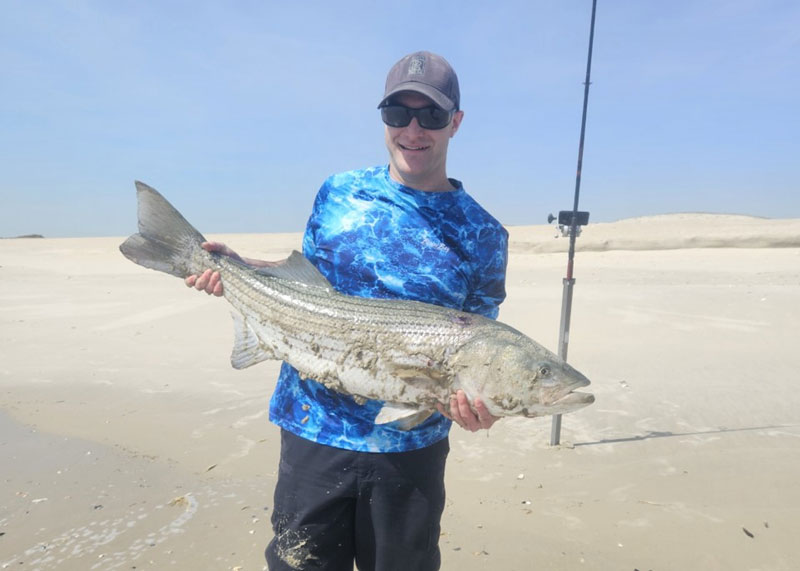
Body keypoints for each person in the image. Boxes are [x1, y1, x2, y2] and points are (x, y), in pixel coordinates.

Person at [186, 51, 509, 571]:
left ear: (455, 123)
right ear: (383, 119)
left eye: (429, 115)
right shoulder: (339, 192)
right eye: (396, 114)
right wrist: (237, 268)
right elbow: (311, 282)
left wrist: (482, 407)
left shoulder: (484, 234)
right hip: (313, 432)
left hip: (410, 453)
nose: (412, 129)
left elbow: (482, 346)